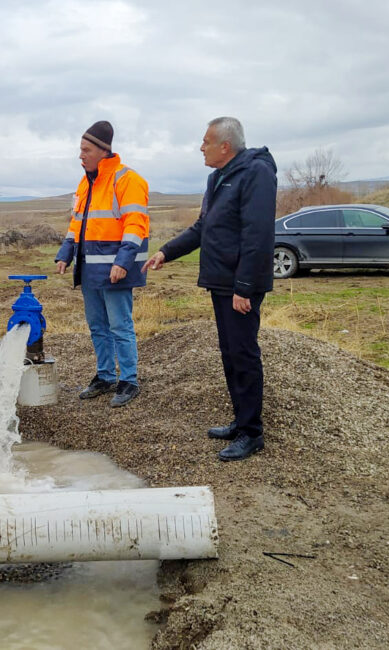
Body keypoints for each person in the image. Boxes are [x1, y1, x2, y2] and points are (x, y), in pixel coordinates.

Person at [144, 117, 277, 461]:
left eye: (205, 141)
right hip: (221, 282)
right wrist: (166, 252)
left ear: (225, 146)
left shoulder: (255, 174)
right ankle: (240, 420)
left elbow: (257, 234)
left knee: (244, 355)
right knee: (230, 355)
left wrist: (244, 287)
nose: (200, 147)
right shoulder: (217, 177)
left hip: (240, 284)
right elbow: (203, 227)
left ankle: (252, 433)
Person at [55, 121, 150, 407]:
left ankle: (129, 380)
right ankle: (106, 375)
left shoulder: (127, 180)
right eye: (80, 150)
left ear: (103, 150)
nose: (80, 155)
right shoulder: (86, 182)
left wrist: (123, 261)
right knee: (97, 326)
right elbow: (78, 223)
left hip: (115, 269)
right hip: (90, 267)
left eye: (85, 150)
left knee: (120, 325)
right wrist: (65, 252)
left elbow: (136, 224)